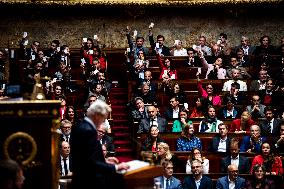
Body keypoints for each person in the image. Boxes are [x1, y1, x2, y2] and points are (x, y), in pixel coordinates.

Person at [70, 100, 130, 189]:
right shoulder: (88, 131)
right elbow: (90, 163)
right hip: (88, 181)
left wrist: (104, 160)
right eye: (103, 118)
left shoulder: (80, 126)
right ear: (97, 115)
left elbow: (86, 157)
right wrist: (116, 167)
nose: (103, 122)